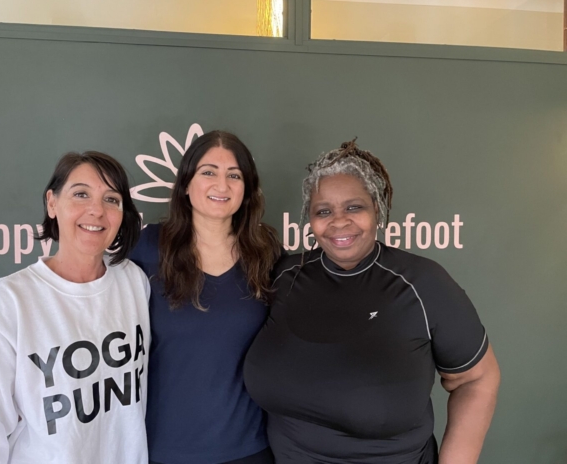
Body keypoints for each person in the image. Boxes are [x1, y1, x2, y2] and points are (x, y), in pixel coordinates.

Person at [244, 139, 501, 464]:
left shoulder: (423, 284)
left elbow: (476, 378)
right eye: (323, 211)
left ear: (377, 208)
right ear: (309, 219)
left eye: (354, 207)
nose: (339, 221)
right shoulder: (284, 276)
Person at [0, 151, 151, 464]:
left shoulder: (133, 281)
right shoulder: (8, 302)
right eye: (81, 194)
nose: (96, 210)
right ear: (52, 203)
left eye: (111, 199)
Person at [130, 130, 281, 464]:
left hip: (250, 448)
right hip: (165, 449)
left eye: (234, 175)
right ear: (186, 183)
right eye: (208, 172)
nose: (222, 185)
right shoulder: (147, 247)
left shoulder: (266, 252)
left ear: (247, 188)